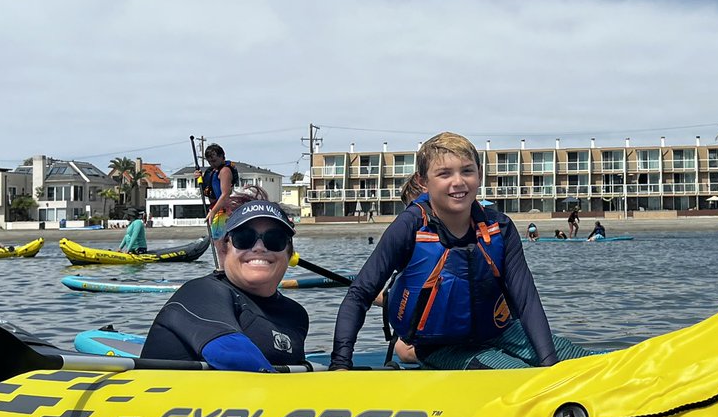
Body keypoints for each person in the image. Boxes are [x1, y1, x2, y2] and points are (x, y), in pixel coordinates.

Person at [330, 131, 593, 371]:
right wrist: (341, 364)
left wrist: (550, 365)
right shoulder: (409, 226)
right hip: (441, 346)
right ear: (424, 182)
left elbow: (525, 300)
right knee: (513, 372)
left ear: (479, 173)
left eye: (467, 171)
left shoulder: (499, 227)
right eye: (444, 174)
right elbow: (360, 294)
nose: (458, 182)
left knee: (586, 360)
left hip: (502, 332)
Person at [141, 189, 308, 372]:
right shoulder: (200, 293)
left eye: (274, 239)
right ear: (224, 249)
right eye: (244, 238)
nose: (259, 247)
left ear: (289, 253)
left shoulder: (296, 315)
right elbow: (229, 354)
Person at [201, 143, 240, 225]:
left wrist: (213, 212)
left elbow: (225, 194)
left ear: (222, 156)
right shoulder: (212, 171)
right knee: (215, 236)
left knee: (219, 237)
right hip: (215, 208)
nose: (212, 164)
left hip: (223, 210)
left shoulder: (225, 171)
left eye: (214, 161)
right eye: (209, 162)